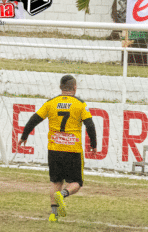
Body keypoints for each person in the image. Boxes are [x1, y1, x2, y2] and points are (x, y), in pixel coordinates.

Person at [17, 75, 97, 222]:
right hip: (72, 150)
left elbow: (34, 119)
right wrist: (93, 144)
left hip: (54, 149)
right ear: (74, 88)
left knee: (55, 182)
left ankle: (53, 214)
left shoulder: (51, 103)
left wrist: (24, 136)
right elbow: (90, 125)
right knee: (76, 183)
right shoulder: (80, 104)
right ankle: (64, 194)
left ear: (61, 88)